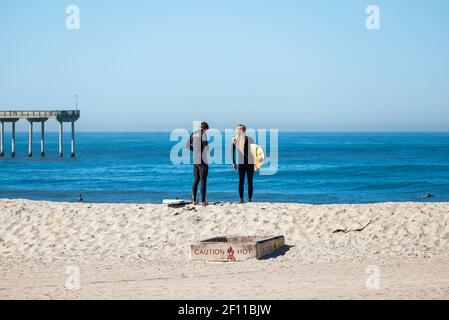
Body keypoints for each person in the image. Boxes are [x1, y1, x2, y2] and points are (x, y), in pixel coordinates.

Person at [187, 122, 210, 206]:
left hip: (195, 159)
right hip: (202, 160)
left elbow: (187, 145)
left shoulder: (193, 133)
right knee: (203, 180)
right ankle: (203, 201)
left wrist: (195, 150)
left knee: (196, 180)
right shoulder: (203, 135)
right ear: (205, 128)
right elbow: (207, 148)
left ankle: (194, 201)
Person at [231, 124, 255, 203]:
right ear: (244, 130)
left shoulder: (234, 140)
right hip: (250, 162)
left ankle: (241, 199)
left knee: (241, 181)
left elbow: (232, 152)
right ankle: (250, 199)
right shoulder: (250, 139)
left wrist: (233, 163)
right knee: (249, 181)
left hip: (240, 163)